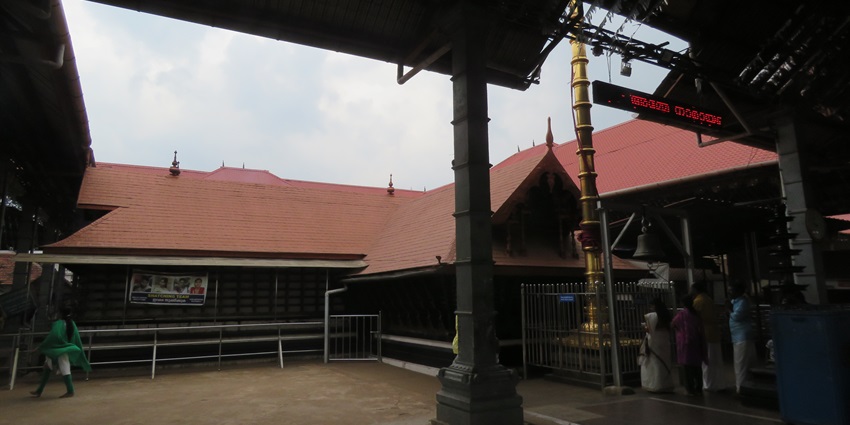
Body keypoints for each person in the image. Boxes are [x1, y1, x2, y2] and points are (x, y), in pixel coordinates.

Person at [30, 307, 91, 398]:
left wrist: (40, 347)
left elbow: (52, 337)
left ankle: (70, 391)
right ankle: (39, 390)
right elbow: (75, 338)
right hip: (65, 348)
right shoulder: (72, 323)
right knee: (49, 367)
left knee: (63, 369)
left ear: (60, 314)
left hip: (57, 348)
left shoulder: (58, 323)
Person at [691, 281, 725, 392]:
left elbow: (694, 317)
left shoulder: (698, 301)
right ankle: (718, 383)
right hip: (714, 332)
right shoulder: (709, 299)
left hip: (705, 333)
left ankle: (708, 383)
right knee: (716, 360)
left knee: (706, 360)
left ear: (696, 290)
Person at [671, 294, 707, 396]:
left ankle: (690, 389)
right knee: (697, 366)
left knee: (687, 367)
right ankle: (698, 388)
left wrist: (679, 330)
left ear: (683, 303)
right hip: (696, 341)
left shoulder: (682, 314)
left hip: (685, 343)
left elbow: (673, 324)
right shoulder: (696, 314)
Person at [640, 297, 675, 393]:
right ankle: (666, 384)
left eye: (651, 306)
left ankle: (656, 385)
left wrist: (644, 327)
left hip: (654, 340)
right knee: (664, 361)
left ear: (655, 306)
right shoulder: (666, 315)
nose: (650, 308)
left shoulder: (652, 316)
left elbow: (649, 329)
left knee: (655, 363)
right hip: (664, 339)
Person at [727, 281, 756, 393]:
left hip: (742, 336)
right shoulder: (735, 301)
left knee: (741, 364)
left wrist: (729, 310)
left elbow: (737, 316)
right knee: (743, 362)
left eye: (731, 290)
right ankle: (746, 386)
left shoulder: (743, 302)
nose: (729, 293)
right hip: (737, 336)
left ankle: (741, 388)